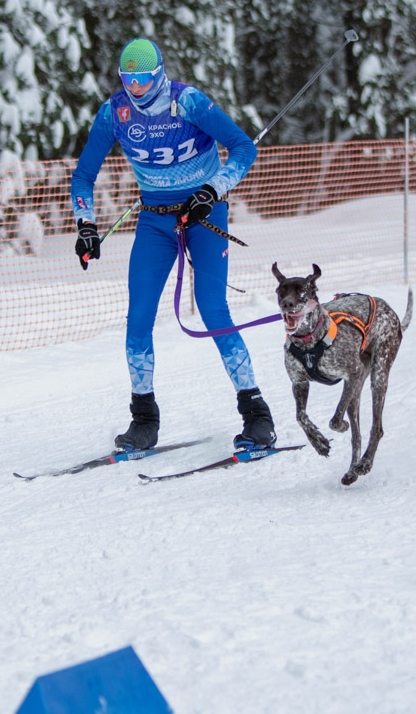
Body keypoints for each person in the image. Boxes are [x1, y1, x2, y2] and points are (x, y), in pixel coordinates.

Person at [70, 37, 275, 452]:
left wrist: (211, 191)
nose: (137, 87)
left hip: (203, 215)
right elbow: (83, 176)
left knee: (213, 309)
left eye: (144, 78)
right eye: (129, 78)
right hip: (156, 221)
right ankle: (144, 419)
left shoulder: (189, 103)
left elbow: (243, 148)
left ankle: (257, 415)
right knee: (138, 317)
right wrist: (86, 225)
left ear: (158, 72)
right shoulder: (115, 112)